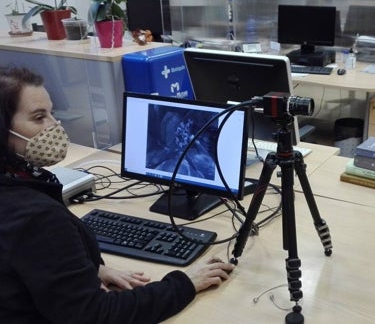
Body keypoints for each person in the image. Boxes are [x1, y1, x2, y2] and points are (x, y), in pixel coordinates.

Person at [0, 66, 235, 323]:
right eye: (38, 117)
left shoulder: (18, 186)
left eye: (52, 113)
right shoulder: (37, 218)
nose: (54, 126)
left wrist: (84, 271)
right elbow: (98, 315)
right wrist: (186, 283)